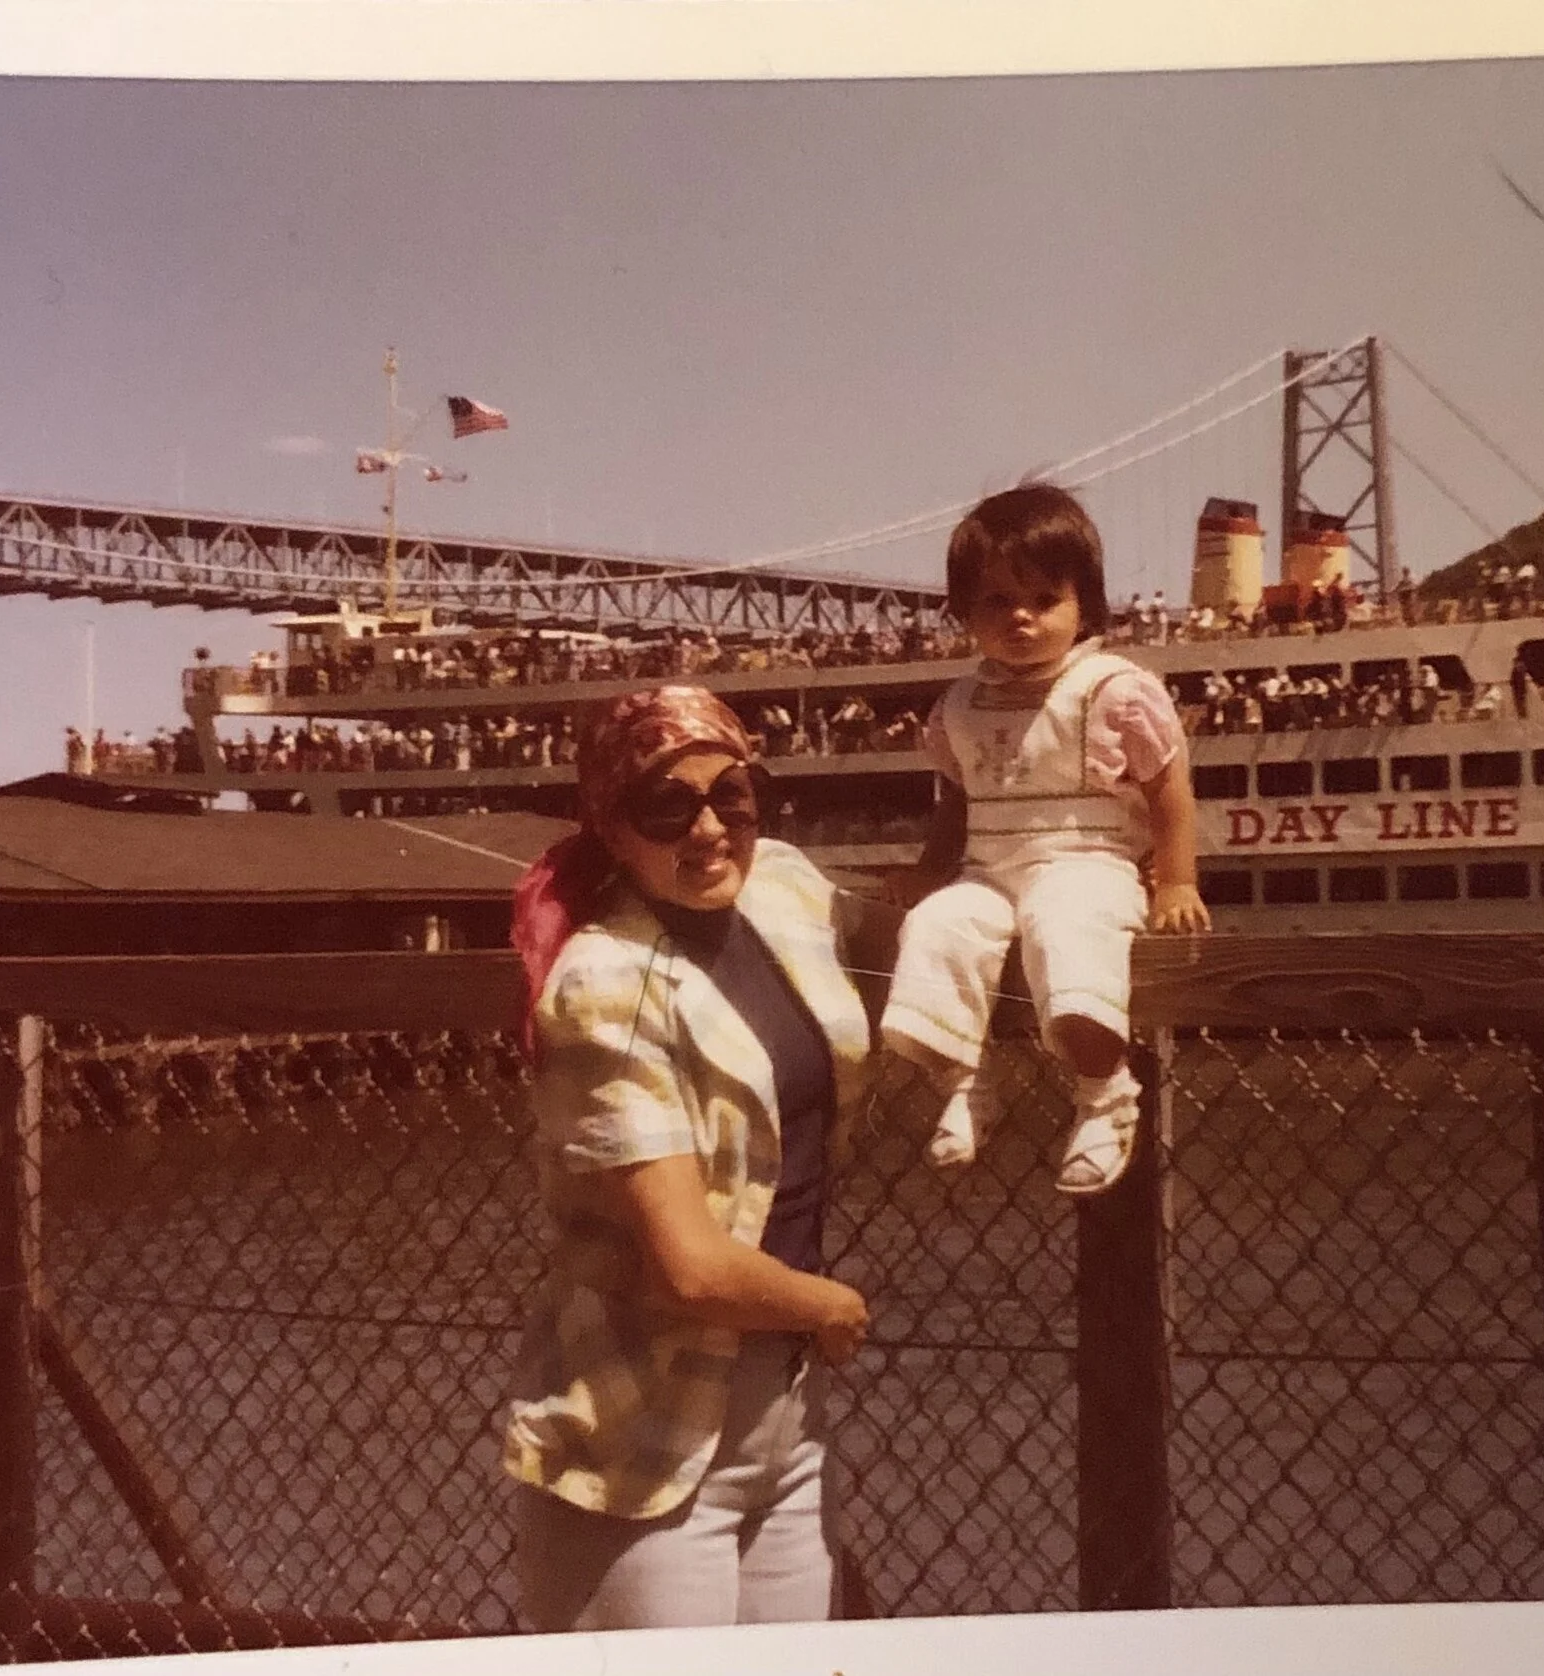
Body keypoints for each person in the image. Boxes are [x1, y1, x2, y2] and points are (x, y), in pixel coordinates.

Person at [503, 685, 874, 1633]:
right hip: (646, 1428)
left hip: (788, 1420)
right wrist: (828, 1304)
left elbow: (896, 920)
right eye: (669, 806)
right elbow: (689, 1268)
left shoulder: (779, 888)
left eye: (733, 796)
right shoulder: (601, 986)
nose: (712, 828)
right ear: (612, 828)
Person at [879, 485, 1210, 1197]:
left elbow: (1168, 786)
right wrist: (928, 875)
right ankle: (967, 1080)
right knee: (935, 930)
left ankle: (1103, 1093)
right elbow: (957, 801)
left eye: (1042, 598)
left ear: (1083, 605)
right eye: (996, 601)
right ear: (965, 611)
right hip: (987, 871)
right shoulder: (960, 705)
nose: (1020, 617)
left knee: (1065, 930)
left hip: (1085, 863)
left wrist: (1177, 879)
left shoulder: (1112, 689)